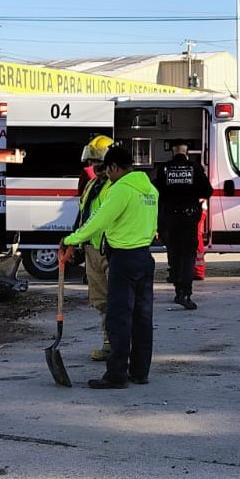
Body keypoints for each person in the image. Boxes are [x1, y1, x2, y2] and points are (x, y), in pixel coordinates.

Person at [62, 145, 159, 390]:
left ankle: (116, 374)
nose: (108, 176)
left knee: (119, 318)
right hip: (144, 258)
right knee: (142, 318)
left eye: (109, 170)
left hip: (123, 259)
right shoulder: (150, 189)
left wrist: (71, 240)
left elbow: (99, 221)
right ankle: (139, 371)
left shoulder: (121, 189)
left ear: (114, 167)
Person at [154, 139, 212, 310]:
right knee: (187, 256)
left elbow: (157, 191)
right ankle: (184, 294)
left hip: (170, 218)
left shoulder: (164, 168)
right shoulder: (194, 168)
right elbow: (207, 191)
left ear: (173, 151)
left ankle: (178, 289)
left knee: (174, 254)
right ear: (187, 152)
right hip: (188, 218)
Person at [74, 135, 114, 361]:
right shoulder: (92, 185)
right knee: (101, 301)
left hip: (111, 250)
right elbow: (83, 215)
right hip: (93, 250)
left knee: (116, 300)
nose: (95, 168)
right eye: (92, 164)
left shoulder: (116, 187)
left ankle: (118, 345)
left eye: (99, 164)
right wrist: (75, 244)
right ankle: (108, 343)